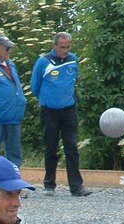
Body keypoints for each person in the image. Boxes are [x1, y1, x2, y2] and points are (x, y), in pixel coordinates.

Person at [30, 32, 91, 197]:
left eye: (68, 47)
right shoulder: (44, 62)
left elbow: (74, 80)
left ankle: (76, 186)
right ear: (55, 46)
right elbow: (35, 86)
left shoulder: (73, 60)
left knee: (71, 147)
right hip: (50, 110)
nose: (65, 50)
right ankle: (49, 184)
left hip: (69, 109)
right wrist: (47, 99)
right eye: (62, 47)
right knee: (51, 147)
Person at [0, 33, 26, 167]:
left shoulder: (11, 64)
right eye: (7, 48)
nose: (9, 51)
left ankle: (15, 179)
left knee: (15, 153)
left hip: (14, 115)